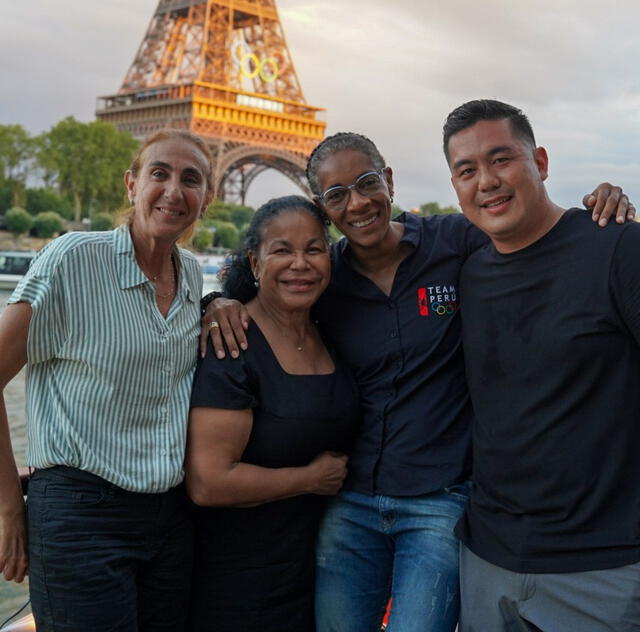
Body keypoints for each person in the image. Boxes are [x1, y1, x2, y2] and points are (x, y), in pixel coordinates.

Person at [202, 133, 634, 632]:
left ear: (388, 181)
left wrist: (601, 211)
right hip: (351, 500)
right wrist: (214, 302)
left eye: (367, 183)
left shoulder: (457, 242)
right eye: (337, 195)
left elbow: (534, 234)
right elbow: (269, 291)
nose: (357, 203)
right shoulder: (325, 276)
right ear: (324, 207)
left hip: (439, 500)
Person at [0, 129, 212, 632]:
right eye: (159, 173)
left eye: (191, 179)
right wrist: (10, 510)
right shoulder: (73, 260)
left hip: (170, 518)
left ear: (207, 198)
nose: (174, 191)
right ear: (131, 184)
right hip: (81, 517)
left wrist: (219, 304)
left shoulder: (194, 279)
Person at [443, 99, 640, 632]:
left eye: (501, 159)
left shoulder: (618, 247)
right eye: (466, 170)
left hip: (606, 569)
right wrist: (223, 300)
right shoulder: (467, 270)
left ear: (542, 162)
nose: (486, 181)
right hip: (486, 557)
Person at [186, 195, 360, 632]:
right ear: (255, 262)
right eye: (282, 250)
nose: (299, 263)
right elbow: (208, 482)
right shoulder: (232, 343)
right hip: (236, 582)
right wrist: (309, 479)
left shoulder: (329, 332)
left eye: (314, 249)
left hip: (316, 572)